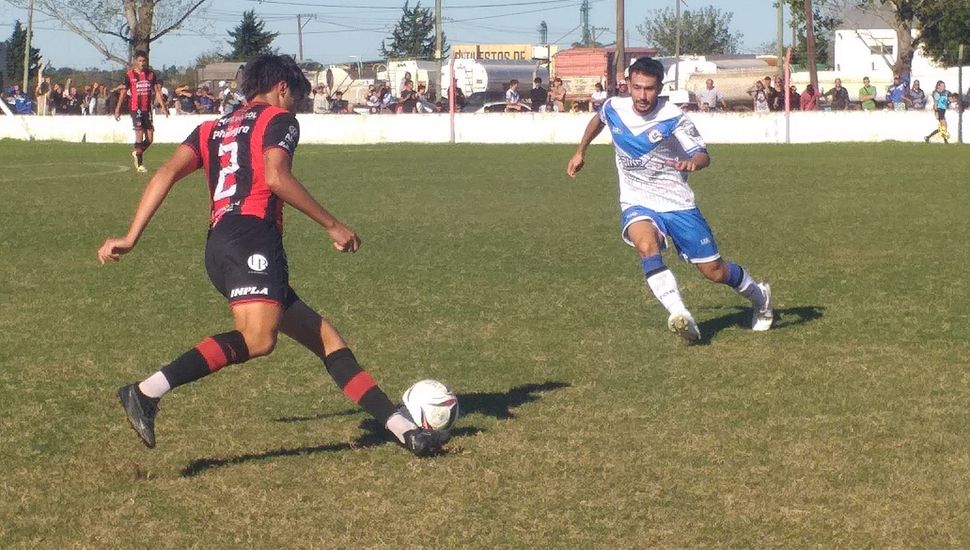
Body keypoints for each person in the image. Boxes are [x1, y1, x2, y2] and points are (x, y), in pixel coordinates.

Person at [99, 54, 445, 457]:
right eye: (296, 96)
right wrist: (332, 224)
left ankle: (406, 432)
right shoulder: (280, 121)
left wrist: (131, 235)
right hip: (252, 239)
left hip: (220, 244)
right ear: (282, 87)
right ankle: (145, 391)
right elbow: (275, 177)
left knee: (327, 340)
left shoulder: (212, 127)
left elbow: (164, 173)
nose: (296, 105)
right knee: (259, 338)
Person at [565, 57, 773, 343]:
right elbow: (598, 119)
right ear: (628, 85)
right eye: (636, 87)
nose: (641, 95)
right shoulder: (615, 107)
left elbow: (703, 153)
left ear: (659, 87)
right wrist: (581, 151)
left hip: (678, 204)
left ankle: (759, 295)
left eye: (649, 89)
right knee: (646, 245)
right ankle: (679, 314)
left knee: (714, 272)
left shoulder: (673, 117)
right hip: (637, 201)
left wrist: (694, 164)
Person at [114, 50, 169, 173]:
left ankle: (137, 152)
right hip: (135, 109)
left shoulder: (151, 75)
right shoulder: (129, 75)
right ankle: (139, 164)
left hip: (147, 109)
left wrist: (164, 107)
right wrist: (117, 109)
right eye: (139, 61)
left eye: (144, 61)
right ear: (135, 61)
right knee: (139, 133)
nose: (142, 63)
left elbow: (157, 92)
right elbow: (123, 92)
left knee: (150, 139)